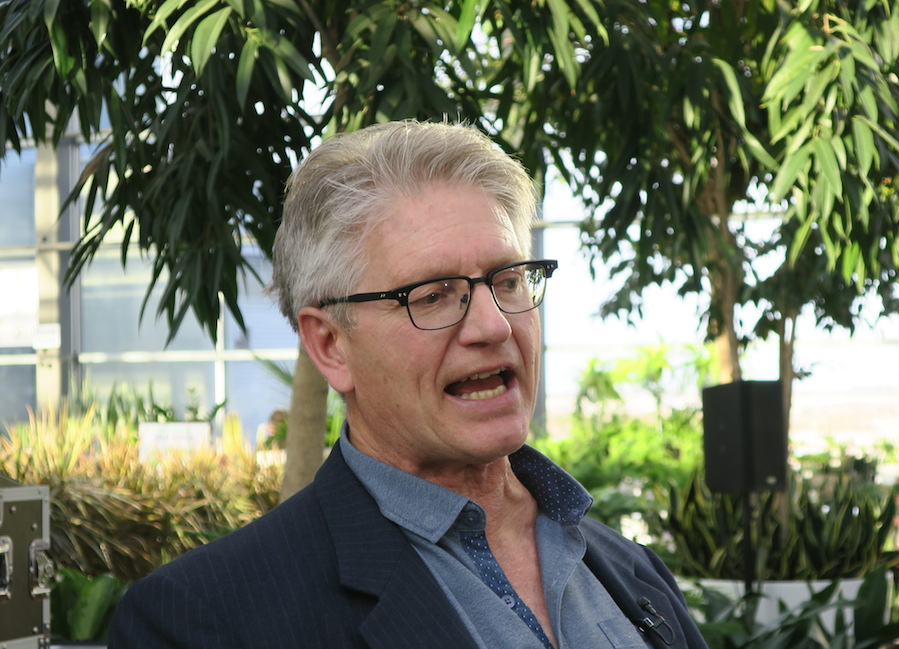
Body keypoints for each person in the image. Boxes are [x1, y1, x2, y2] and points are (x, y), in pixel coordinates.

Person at [108, 121, 710, 649]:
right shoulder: (208, 618)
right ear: (330, 345)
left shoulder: (630, 571)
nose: (493, 325)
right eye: (432, 294)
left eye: (508, 280)